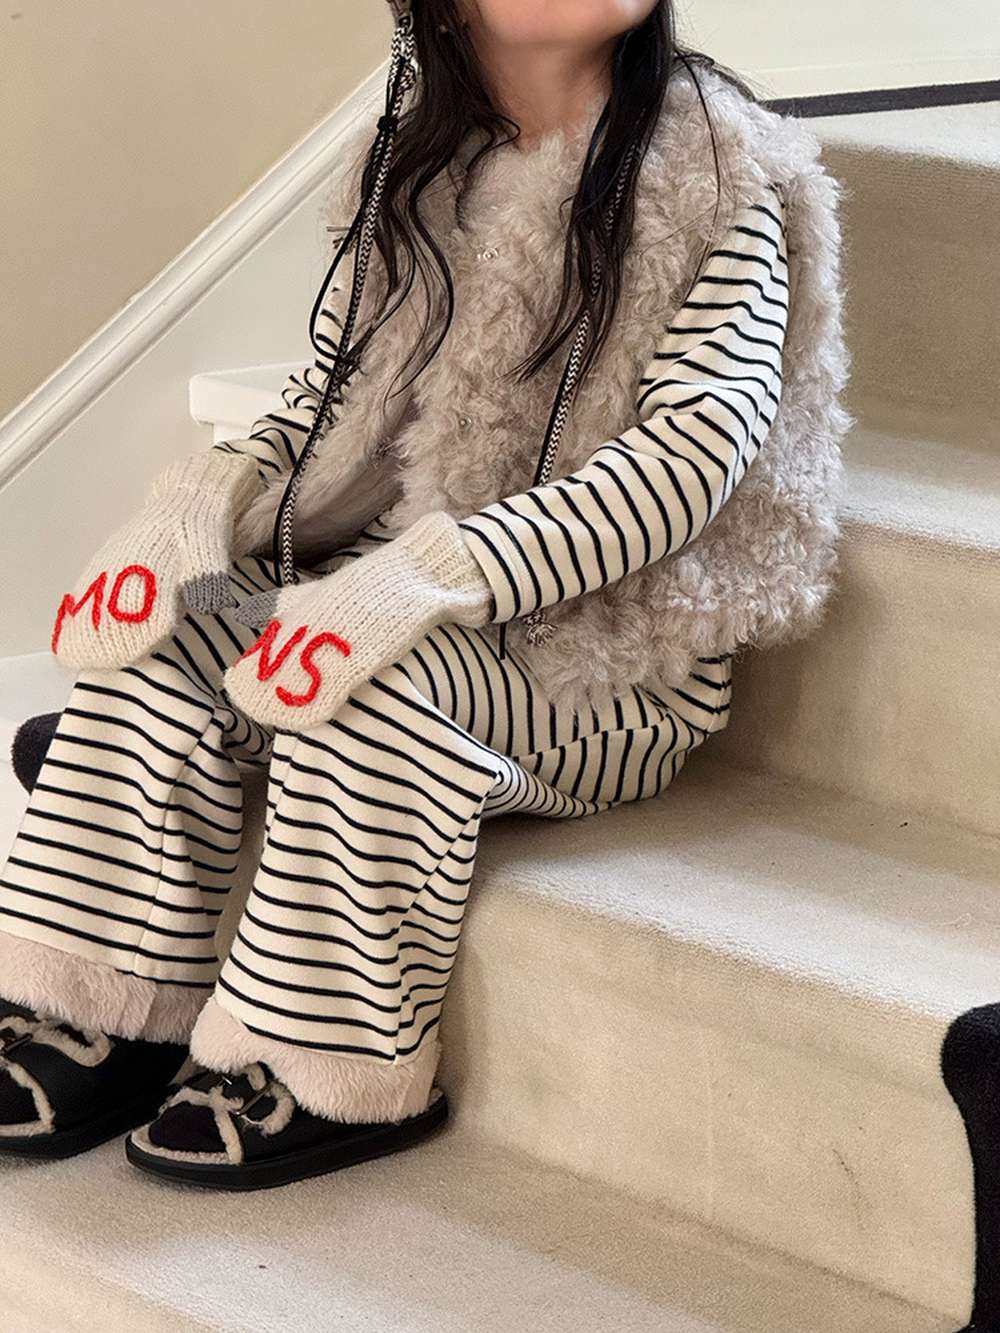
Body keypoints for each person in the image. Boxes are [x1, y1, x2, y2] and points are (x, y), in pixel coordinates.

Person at [0, 0, 850, 1189]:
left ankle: (325, 1067)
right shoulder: (414, 163)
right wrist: (192, 503)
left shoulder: (720, 173)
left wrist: (424, 577)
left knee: (368, 687)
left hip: (601, 658)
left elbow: (686, 462)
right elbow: (332, 405)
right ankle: (99, 1003)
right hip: (394, 588)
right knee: (162, 641)